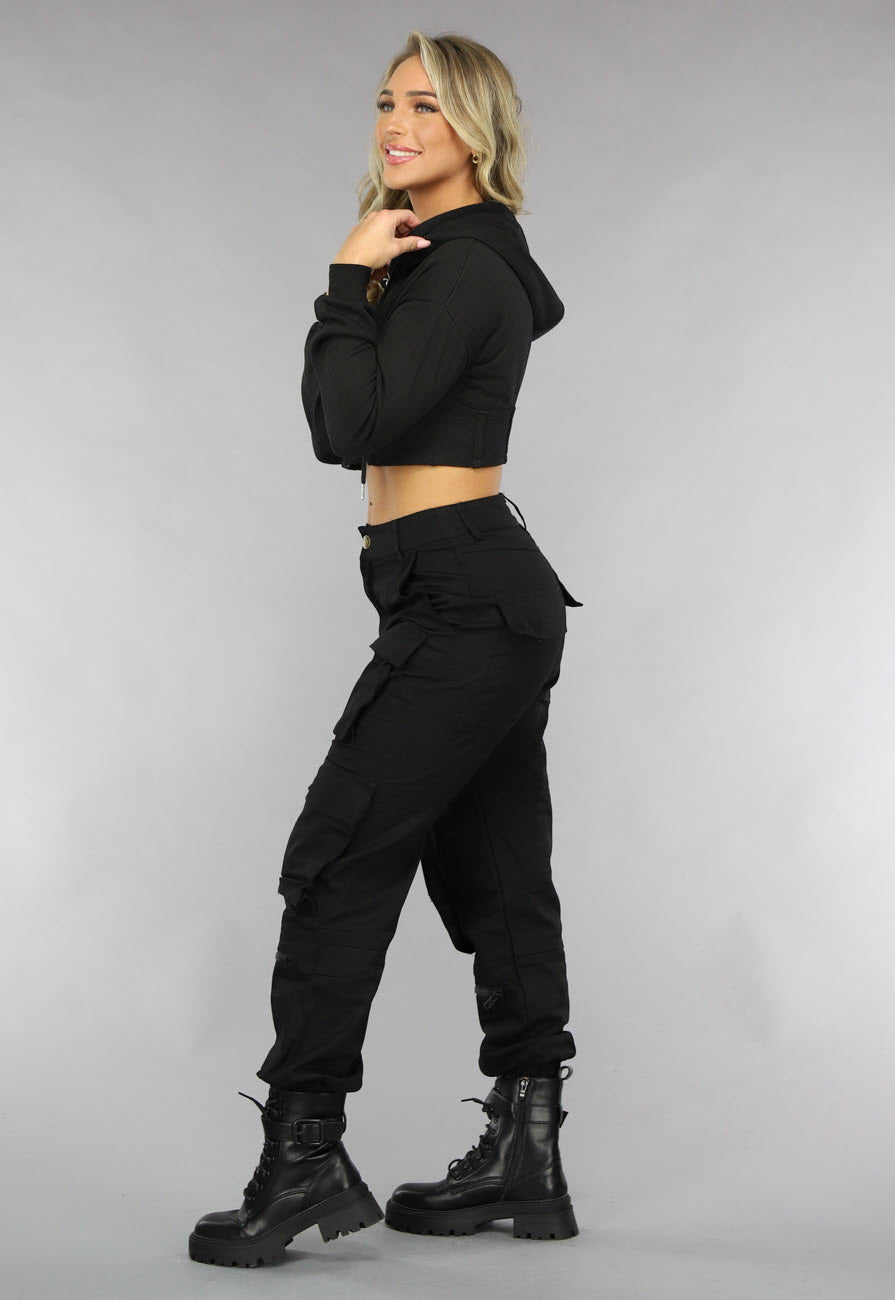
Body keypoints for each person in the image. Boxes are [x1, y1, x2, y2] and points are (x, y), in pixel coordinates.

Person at [189, 30, 583, 1268]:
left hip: (461, 596)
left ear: (477, 127)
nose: (396, 124)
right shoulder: (456, 255)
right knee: (496, 868)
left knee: (336, 856)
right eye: (384, 102)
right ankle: (525, 1152)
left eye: (426, 105)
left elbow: (346, 425)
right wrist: (370, 277)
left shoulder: (455, 266)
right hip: (470, 592)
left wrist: (340, 286)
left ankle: (303, 1151)